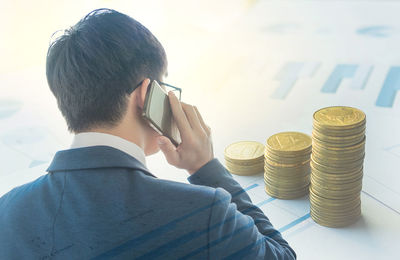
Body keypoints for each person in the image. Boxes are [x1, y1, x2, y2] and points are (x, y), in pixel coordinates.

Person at [0, 8, 296, 259]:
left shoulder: (8, 211)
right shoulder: (204, 212)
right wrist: (206, 167)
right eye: (164, 87)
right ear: (146, 94)